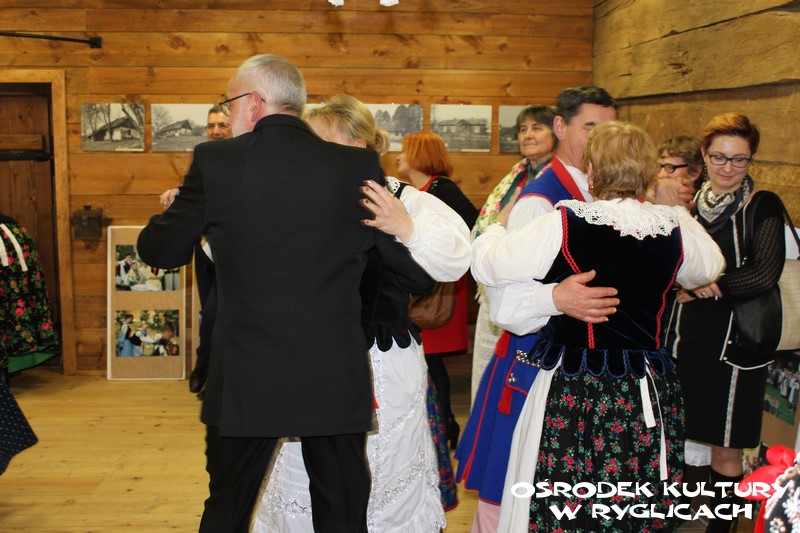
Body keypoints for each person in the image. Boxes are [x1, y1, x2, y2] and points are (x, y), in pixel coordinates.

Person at [137, 54, 435, 533]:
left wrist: (183, 211)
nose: (228, 113)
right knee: (342, 508)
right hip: (333, 369)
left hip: (246, 372)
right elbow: (411, 273)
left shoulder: (215, 162)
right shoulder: (356, 164)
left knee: (228, 506)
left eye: (229, 102)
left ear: (254, 103)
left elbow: (162, 251)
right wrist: (408, 237)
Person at [472, 121, 725, 531]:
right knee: (631, 492)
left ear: (591, 170)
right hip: (643, 389)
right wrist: (676, 209)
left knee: (565, 488)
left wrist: (493, 233)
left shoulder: (566, 222)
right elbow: (710, 266)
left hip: (575, 385)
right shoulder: (672, 227)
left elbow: (489, 265)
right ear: (649, 173)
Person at [254, 94, 470, 532]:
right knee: (305, 467)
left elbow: (454, 259)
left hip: (384, 358)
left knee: (385, 463)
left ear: (357, 145)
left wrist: (405, 227)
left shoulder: (403, 198)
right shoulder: (295, 193)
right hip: (309, 356)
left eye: (320, 142)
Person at [455, 85, 620, 533]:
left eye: (611, 129)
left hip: (581, 367)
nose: (603, 140)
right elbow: (504, 298)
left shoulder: (608, 194)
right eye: (591, 128)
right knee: (515, 486)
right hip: (534, 363)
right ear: (561, 127)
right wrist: (554, 298)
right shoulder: (539, 200)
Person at [668, 113, 784, 533]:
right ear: (704, 154)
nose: (728, 168)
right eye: (719, 157)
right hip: (683, 342)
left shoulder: (761, 205)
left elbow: (764, 273)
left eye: (739, 159)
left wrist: (708, 285)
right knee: (675, 441)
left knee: (726, 449)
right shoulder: (685, 205)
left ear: (751, 159)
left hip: (735, 347)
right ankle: (673, 520)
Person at [396, 131, 478, 450]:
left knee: (432, 358)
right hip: (428, 289)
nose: (399, 156)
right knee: (430, 359)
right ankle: (442, 425)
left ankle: (445, 425)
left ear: (419, 155)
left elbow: (473, 225)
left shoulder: (441, 188)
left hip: (441, 292)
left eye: (405, 150)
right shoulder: (422, 190)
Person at [470, 105, 557, 402]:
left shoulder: (554, 180)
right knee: (490, 368)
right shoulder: (517, 175)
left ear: (556, 133)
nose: (528, 135)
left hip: (530, 290)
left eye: (537, 128)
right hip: (496, 281)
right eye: (522, 129)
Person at [159, 105, 233, 396]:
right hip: (204, 250)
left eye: (223, 125)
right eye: (211, 125)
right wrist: (177, 193)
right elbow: (194, 194)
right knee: (210, 313)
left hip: (232, 252)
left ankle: (206, 370)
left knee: (216, 313)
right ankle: (207, 371)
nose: (216, 131)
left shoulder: (245, 158)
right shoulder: (204, 156)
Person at [653, 135, 705, 210]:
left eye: (670, 167)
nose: (660, 175)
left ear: (695, 171)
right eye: (658, 166)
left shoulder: (704, 210)